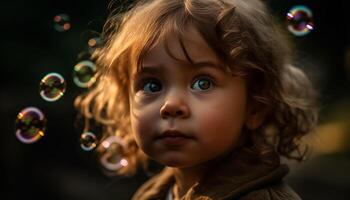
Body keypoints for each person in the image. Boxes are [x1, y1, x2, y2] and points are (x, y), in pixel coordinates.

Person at [75, 0, 318, 199]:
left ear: (255, 106)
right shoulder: (151, 195)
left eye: (203, 83)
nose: (170, 105)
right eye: (152, 85)